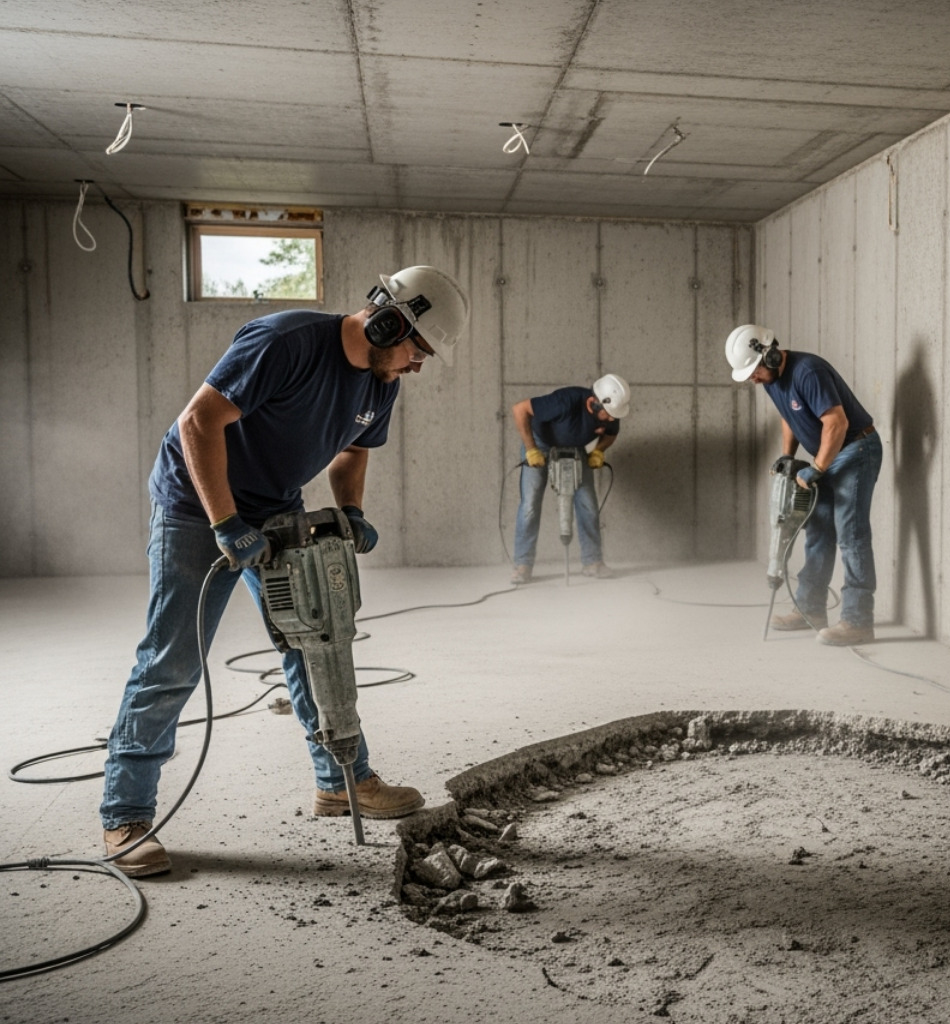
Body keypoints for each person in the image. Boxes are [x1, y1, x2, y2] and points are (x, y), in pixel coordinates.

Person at [101, 265, 470, 878]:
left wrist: (351, 510)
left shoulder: (381, 383)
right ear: (387, 321)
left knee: (314, 642)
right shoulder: (283, 342)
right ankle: (126, 814)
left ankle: (342, 782)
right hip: (197, 504)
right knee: (173, 659)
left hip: (276, 505)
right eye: (417, 348)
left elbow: (354, 450)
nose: (418, 364)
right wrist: (224, 522)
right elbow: (199, 422)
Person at [726, 325, 882, 646]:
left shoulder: (808, 372)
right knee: (817, 528)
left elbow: (836, 422)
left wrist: (819, 467)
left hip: (855, 449)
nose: (752, 379)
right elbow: (789, 416)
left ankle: (858, 620)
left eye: (753, 371)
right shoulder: (772, 380)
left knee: (850, 532)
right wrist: (787, 455)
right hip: (827, 454)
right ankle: (810, 608)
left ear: (769, 354)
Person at [509, 374, 631, 582]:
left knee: (588, 504)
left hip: (576, 448)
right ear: (593, 403)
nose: (612, 419)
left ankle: (593, 562)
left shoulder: (611, 412)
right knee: (530, 505)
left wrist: (598, 451)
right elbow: (520, 409)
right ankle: (522, 566)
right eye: (608, 415)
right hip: (540, 444)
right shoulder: (564, 402)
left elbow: (611, 434)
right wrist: (531, 449)